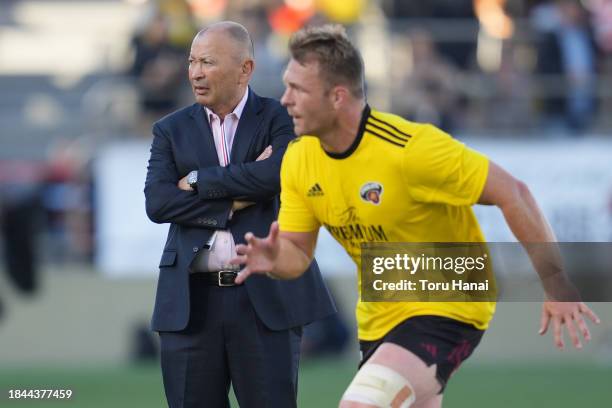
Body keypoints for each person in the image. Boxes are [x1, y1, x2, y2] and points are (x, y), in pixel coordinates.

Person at [232, 24, 601, 408]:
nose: (285, 99)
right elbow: (297, 252)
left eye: (298, 90)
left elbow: (516, 194)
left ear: (338, 97)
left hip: (451, 298)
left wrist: (557, 284)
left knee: (362, 404)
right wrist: (276, 260)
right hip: (381, 315)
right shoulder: (298, 160)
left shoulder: (410, 149)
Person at [144, 21, 335, 408]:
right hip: (191, 304)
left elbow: (276, 175)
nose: (195, 72)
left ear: (245, 69)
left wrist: (197, 180)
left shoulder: (282, 117)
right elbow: (159, 203)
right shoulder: (170, 129)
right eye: (192, 61)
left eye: (208, 62)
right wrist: (235, 198)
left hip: (264, 299)